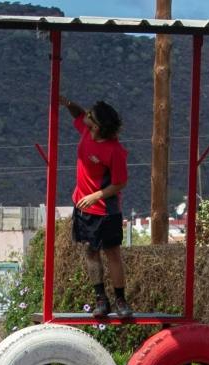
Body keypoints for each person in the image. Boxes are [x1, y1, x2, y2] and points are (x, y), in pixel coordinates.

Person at [60, 95, 129, 320]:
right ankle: (101, 299)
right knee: (91, 251)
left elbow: (119, 183)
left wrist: (95, 196)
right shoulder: (85, 131)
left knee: (112, 253)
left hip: (106, 210)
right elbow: (78, 113)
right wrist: (67, 102)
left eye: (91, 117)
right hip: (83, 208)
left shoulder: (114, 150)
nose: (86, 117)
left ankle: (120, 299)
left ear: (98, 126)